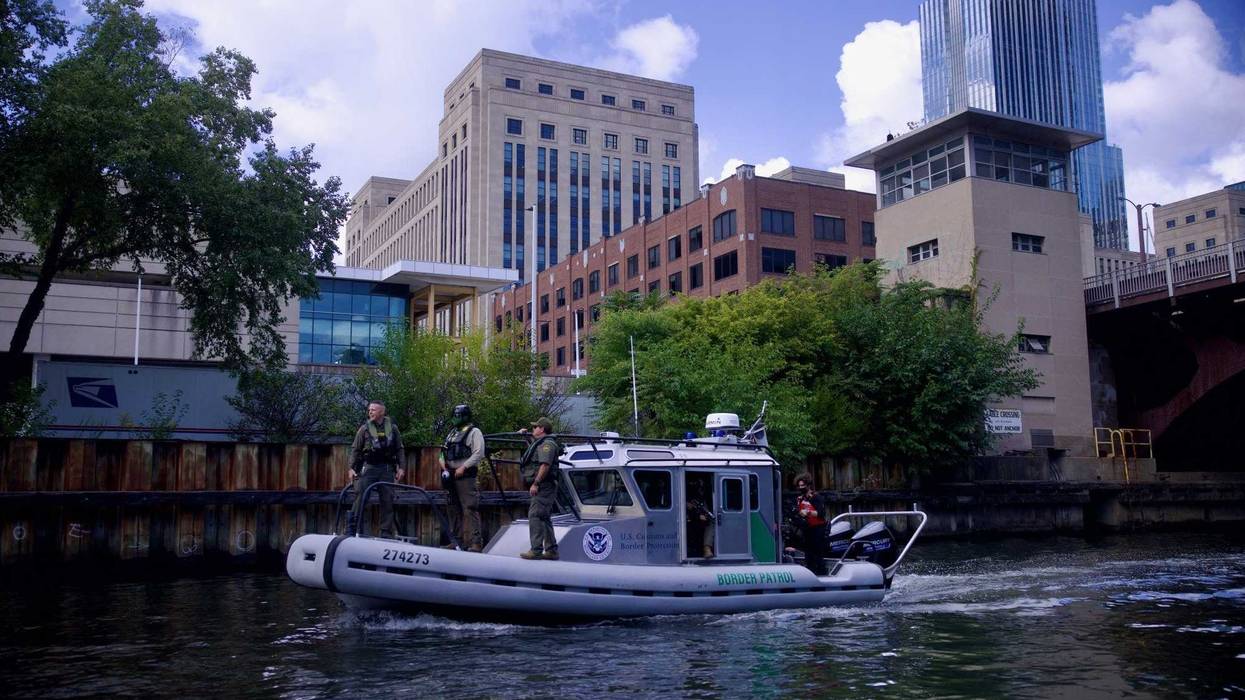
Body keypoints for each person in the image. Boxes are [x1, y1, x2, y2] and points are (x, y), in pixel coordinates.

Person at [347, 401, 405, 538]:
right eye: (369, 410)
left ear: (382, 412)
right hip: (369, 468)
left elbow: (399, 449)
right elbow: (355, 449)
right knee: (360, 495)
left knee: (388, 500)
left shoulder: (393, 428)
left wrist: (401, 467)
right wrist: (350, 468)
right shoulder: (364, 429)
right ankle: (353, 530)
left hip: (386, 469)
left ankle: (385, 533)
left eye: (373, 410)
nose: (370, 412)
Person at [442, 403, 485, 552]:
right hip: (449, 473)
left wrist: (464, 467)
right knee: (452, 508)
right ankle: (456, 541)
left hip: (465, 474)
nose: (455, 418)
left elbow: (479, 453)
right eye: (454, 415)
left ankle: (476, 542)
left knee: (470, 508)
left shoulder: (474, 432)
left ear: (465, 416)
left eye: (458, 415)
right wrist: (442, 462)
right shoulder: (452, 433)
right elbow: (443, 451)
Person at [517, 417, 561, 560]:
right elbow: (534, 451)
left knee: (535, 514)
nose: (533, 429)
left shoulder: (547, 445)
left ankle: (536, 550)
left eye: (535, 427)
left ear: (542, 429)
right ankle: (551, 550)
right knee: (544, 516)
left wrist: (536, 483)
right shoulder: (541, 443)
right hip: (544, 485)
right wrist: (525, 436)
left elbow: (545, 465)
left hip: (544, 485)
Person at [793, 472, 828, 575]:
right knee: (808, 554)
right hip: (807, 529)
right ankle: (810, 572)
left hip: (818, 529)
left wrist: (808, 512)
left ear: (808, 485)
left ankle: (821, 573)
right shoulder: (800, 499)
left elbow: (820, 514)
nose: (801, 488)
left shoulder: (816, 497)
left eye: (803, 486)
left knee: (817, 553)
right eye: (799, 486)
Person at [687, 479, 715, 558]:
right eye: (699, 485)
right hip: (692, 520)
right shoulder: (689, 497)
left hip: (705, 520)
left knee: (711, 523)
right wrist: (697, 516)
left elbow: (709, 512)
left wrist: (705, 516)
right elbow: (685, 511)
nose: (701, 489)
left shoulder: (708, 497)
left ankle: (707, 548)